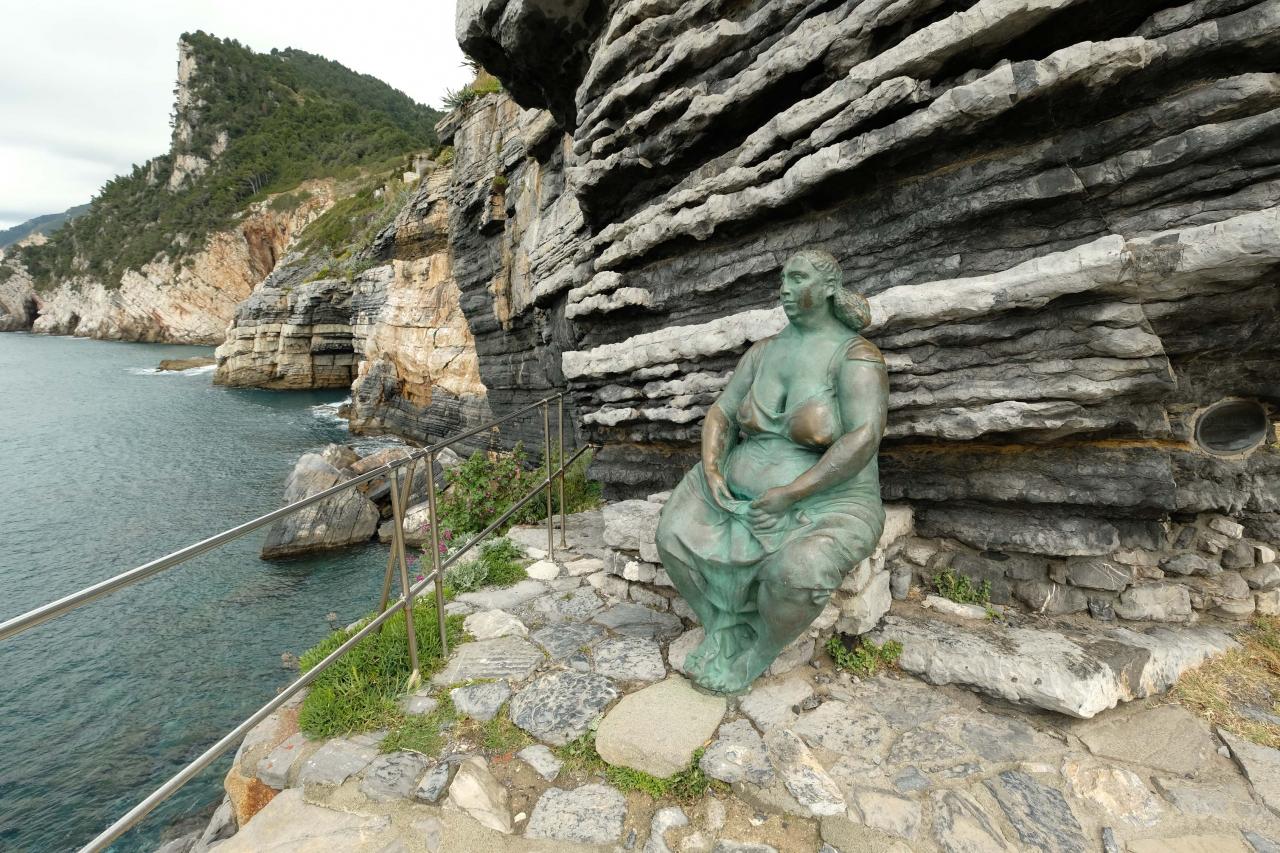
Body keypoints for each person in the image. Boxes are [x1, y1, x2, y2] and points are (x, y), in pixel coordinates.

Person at [655, 249, 888, 694]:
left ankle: (760, 647)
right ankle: (722, 628)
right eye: (783, 279)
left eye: (798, 279)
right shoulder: (762, 353)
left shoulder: (856, 355)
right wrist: (712, 470)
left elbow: (864, 436)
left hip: (826, 502)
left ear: (828, 289)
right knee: (671, 535)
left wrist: (791, 494)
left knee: (799, 572)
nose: (784, 288)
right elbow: (721, 412)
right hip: (734, 495)